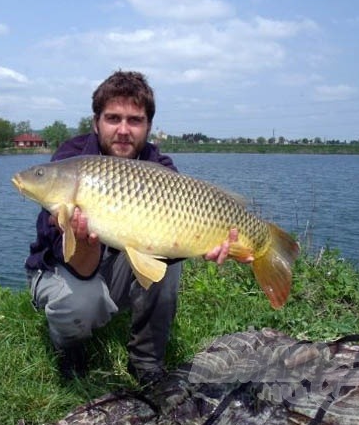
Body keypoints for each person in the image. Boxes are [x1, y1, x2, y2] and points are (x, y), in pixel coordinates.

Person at [24, 70, 244, 385]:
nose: (124, 130)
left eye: (135, 120)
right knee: (81, 302)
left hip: (117, 269)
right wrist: (82, 237)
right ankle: (70, 351)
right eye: (113, 118)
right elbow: (77, 265)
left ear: (148, 126)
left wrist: (208, 243)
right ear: (95, 122)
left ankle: (146, 362)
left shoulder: (160, 168)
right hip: (61, 271)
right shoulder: (71, 161)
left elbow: (180, 238)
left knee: (166, 258)